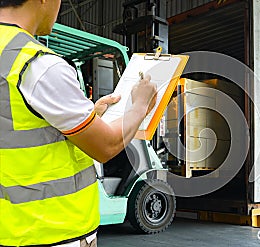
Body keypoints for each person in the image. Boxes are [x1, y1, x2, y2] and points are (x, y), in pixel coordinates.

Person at [0, 0, 157, 246]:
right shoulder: (37, 64)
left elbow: (14, 127)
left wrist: (90, 114)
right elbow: (105, 146)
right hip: (51, 231)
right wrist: (140, 106)